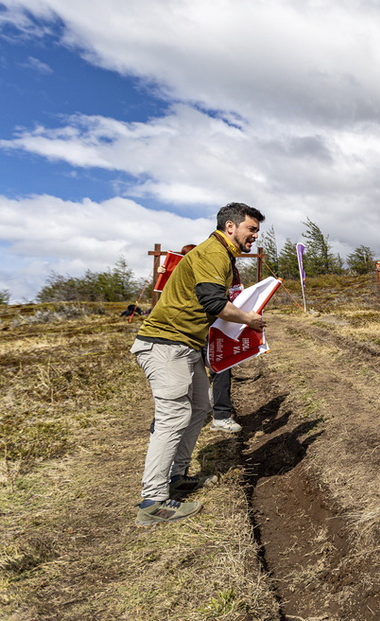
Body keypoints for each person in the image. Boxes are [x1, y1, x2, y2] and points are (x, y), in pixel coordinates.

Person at [130, 203, 266, 526]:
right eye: (251, 229)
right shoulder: (214, 253)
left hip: (185, 345)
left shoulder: (221, 254)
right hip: (165, 344)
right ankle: (153, 502)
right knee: (173, 415)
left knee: (201, 407)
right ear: (230, 227)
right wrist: (249, 318)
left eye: (257, 231)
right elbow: (214, 302)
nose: (254, 237)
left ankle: (176, 476)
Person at [159, 244, 242, 433]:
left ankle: (220, 415)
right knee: (192, 374)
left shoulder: (214, 272)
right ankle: (193, 413)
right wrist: (162, 275)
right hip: (187, 332)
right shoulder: (181, 278)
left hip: (213, 329)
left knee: (221, 368)